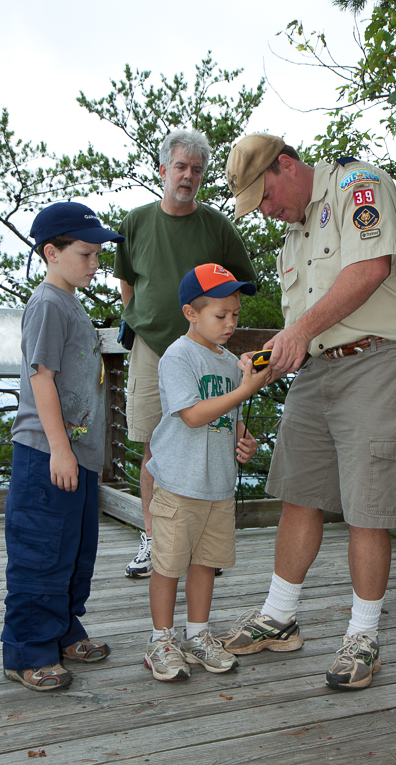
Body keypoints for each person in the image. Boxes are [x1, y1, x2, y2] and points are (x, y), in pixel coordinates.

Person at [219, 133, 396, 691]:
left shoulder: (356, 187)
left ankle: (363, 637)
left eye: (264, 197)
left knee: (369, 505)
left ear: (286, 166)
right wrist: (268, 357)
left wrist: (300, 333)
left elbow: (370, 269)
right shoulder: (293, 237)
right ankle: (279, 615)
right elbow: (305, 329)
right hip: (320, 369)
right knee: (300, 491)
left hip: (382, 360)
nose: (266, 213)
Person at [114, 129, 255, 578]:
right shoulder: (135, 221)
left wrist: (218, 332)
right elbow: (127, 283)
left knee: (209, 439)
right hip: (152, 351)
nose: (188, 176)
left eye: (196, 169)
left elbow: (239, 282)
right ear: (163, 170)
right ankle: (153, 540)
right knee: (156, 448)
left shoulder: (217, 225)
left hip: (207, 356)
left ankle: (199, 546)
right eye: (180, 166)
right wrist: (140, 318)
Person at [2, 202, 125, 691]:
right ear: (52, 253)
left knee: (74, 550)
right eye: (86, 254)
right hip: (47, 454)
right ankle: (28, 649)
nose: (95, 263)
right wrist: (59, 449)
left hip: (78, 457)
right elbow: (42, 378)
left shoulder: (71, 300)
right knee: (40, 551)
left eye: (98, 255)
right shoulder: (49, 302)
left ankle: (63, 630)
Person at [142, 263, 272, 681]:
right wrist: (245, 389)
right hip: (180, 483)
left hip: (218, 485)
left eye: (236, 314)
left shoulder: (231, 362)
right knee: (168, 564)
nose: (231, 323)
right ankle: (160, 641)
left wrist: (244, 435)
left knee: (205, 564)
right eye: (221, 315)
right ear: (190, 313)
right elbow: (194, 415)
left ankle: (197, 635)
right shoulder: (178, 356)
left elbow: (227, 414)